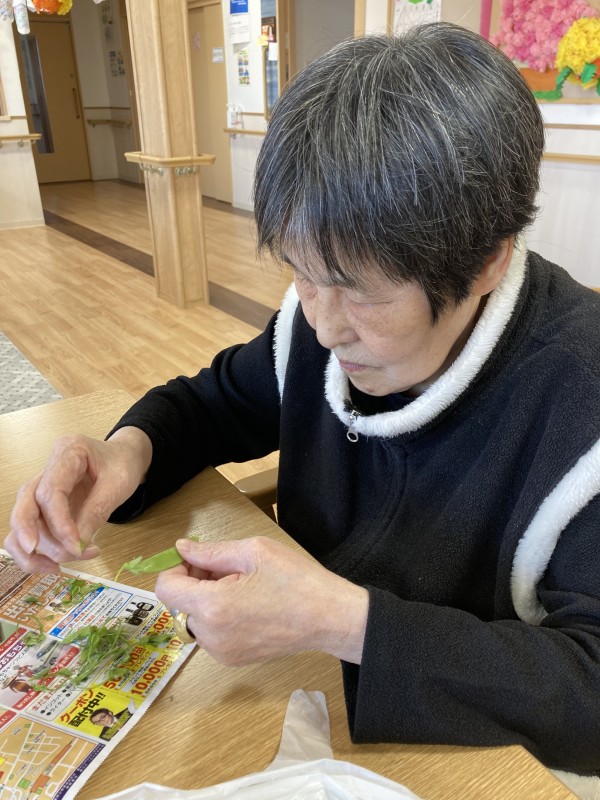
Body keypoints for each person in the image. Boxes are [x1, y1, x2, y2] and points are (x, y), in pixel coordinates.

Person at [5, 21, 600, 788]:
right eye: (298, 270)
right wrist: (126, 453)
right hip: (299, 700)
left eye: (359, 291)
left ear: (487, 260)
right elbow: (213, 404)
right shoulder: (313, 324)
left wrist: (340, 621)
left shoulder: (579, 404)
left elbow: (588, 694)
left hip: (479, 763)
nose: (322, 323)